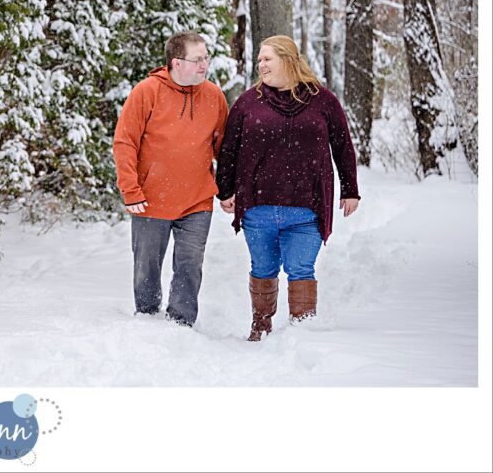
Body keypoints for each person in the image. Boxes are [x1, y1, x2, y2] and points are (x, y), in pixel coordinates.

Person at [215, 35, 360, 342]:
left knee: (301, 269)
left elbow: (343, 146)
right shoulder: (248, 102)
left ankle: (303, 336)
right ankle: (261, 326)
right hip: (258, 207)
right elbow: (229, 149)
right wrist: (225, 190)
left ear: (288, 59)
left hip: (307, 208)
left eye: (267, 59)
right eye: (259, 61)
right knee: (263, 267)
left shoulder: (323, 100)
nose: (261, 65)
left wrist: (350, 189)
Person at [112, 31, 229, 327]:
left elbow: (224, 149)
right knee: (147, 266)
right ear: (177, 63)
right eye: (197, 59)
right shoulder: (147, 91)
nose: (204, 64)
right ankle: (148, 319)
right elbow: (125, 142)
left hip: (197, 199)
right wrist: (131, 189)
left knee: (190, 264)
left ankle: (181, 324)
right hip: (150, 199)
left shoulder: (214, 96)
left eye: (206, 57)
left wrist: (228, 189)